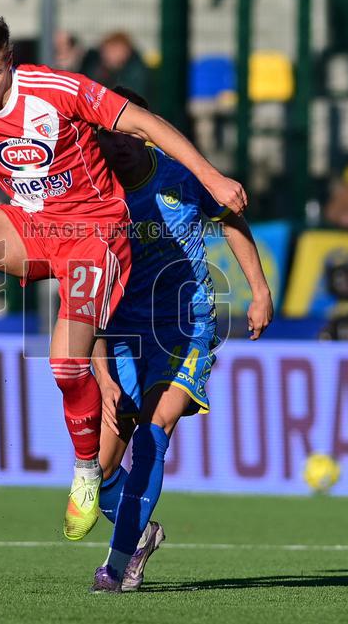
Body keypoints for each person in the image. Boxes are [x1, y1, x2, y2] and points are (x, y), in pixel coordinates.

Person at [0, 15, 246, 542]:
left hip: (95, 233)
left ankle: (85, 475)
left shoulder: (57, 90)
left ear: (9, 62)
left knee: (64, 362)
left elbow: (145, 125)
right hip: (34, 226)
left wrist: (211, 176)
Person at [86, 87, 272, 593]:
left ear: (147, 131)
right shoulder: (95, 193)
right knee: (96, 472)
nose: (118, 144)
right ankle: (141, 535)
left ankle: (116, 566)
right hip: (122, 334)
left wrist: (259, 290)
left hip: (185, 327)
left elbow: (231, 218)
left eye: (128, 133)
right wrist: (100, 372)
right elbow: (83, 285)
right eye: (107, 135)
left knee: (153, 431)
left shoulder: (179, 176)